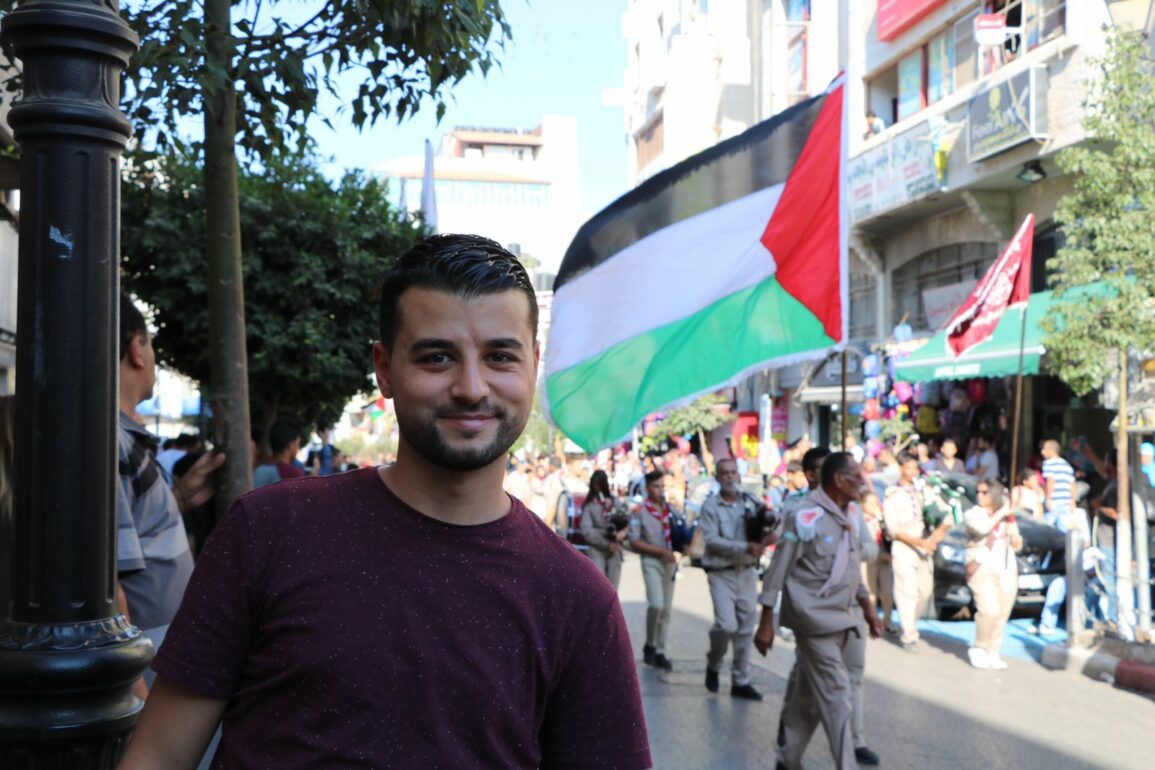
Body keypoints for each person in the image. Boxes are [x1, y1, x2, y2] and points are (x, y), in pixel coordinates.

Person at [118, 234, 651, 769]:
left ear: (532, 365)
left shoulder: (580, 603)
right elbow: (159, 756)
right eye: (437, 357)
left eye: (499, 356)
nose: (471, 387)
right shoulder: (268, 531)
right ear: (385, 368)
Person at [116, 294, 225, 696]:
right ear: (137, 349)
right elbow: (105, 584)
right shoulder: (110, 442)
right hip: (145, 671)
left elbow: (133, 529)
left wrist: (178, 497)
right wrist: (134, 691)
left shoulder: (125, 440)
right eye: (152, 346)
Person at [754, 452, 883, 770]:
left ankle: (788, 760)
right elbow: (777, 572)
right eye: (856, 476)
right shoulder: (803, 516)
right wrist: (765, 623)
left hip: (843, 618)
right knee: (838, 694)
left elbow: (849, 568)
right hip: (813, 622)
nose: (862, 483)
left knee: (808, 700)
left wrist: (867, 607)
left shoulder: (849, 514)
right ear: (839, 480)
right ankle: (847, 763)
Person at [699, 458, 773, 701]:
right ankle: (714, 663)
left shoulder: (751, 502)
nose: (730, 477)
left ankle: (740, 680)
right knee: (726, 625)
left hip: (747, 572)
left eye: (733, 472)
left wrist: (768, 533)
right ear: (717, 477)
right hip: (721, 573)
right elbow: (711, 540)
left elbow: (770, 524)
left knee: (744, 629)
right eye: (725, 473)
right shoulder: (710, 506)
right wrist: (745, 545)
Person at [883, 452, 948, 653]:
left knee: (924, 591)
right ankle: (908, 633)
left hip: (925, 548)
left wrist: (934, 537)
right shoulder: (892, 494)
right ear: (901, 469)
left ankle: (911, 622)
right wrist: (919, 542)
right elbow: (893, 529)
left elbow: (945, 516)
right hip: (904, 547)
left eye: (914, 468)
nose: (912, 472)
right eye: (908, 468)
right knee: (907, 591)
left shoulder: (925, 490)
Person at [963, 481, 1022, 669]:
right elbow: (983, 529)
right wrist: (1002, 514)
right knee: (989, 610)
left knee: (1002, 612)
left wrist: (1012, 531)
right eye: (978, 491)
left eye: (985, 492)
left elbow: (1017, 544)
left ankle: (992, 650)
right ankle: (979, 647)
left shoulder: (1006, 517)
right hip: (982, 567)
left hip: (1005, 568)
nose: (980, 495)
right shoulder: (973, 514)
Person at [629, 469, 680, 672]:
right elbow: (634, 540)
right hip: (652, 560)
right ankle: (650, 642)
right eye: (656, 486)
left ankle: (660, 650)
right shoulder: (639, 511)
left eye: (662, 486)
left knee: (666, 610)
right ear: (648, 488)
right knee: (656, 604)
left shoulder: (670, 510)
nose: (660, 490)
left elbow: (682, 531)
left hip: (670, 562)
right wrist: (660, 550)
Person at [580, 469, 627, 589]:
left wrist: (623, 532)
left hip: (615, 548)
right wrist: (606, 542)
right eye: (595, 485)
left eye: (599, 484)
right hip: (597, 549)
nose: (597, 488)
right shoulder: (589, 505)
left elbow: (626, 520)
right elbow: (586, 531)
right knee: (598, 587)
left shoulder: (614, 501)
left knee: (613, 587)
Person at [860, 490, 895, 635]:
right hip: (868, 559)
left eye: (875, 502)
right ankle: (870, 621)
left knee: (887, 591)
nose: (874, 506)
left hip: (884, 558)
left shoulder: (882, 519)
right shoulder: (860, 521)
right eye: (870, 503)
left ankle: (887, 621)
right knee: (870, 592)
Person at [252, 417, 307, 488]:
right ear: (289, 446)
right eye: (297, 443)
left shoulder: (258, 472)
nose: (298, 448)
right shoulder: (293, 476)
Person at [1041, 439, 1076, 529]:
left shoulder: (1048, 463)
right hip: (1066, 501)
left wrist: (1048, 498)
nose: (1042, 452)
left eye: (1044, 449)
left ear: (1052, 450)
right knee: (1064, 528)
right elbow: (1072, 484)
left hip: (1054, 500)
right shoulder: (1066, 465)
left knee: (1047, 527)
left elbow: (1050, 481)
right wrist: (1073, 501)